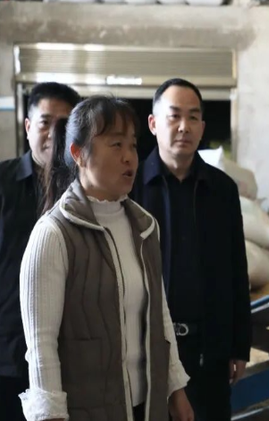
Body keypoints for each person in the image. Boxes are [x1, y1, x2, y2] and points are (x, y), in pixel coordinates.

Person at [19, 96, 194, 421]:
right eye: (116, 144)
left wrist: (175, 388)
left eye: (133, 145)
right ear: (78, 153)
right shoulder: (54, 234)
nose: (129, 157)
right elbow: (41, 346)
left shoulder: (145, 227)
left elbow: (160, 316)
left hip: (147, 407)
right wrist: (51, 416)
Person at [132, 78, 251, 420]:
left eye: (193, 117)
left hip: (208, 352)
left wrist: (239, 345)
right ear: (153, 123)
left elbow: (236, 268)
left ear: (202, 127)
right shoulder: (132, 187)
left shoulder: (222, 190)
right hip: (145, 350)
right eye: (174, 116)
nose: (184, 126)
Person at [0, 82, 79, 421]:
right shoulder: (2, 183)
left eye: (64, 125)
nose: (53, 133)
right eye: (45, 122)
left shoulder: (86, 192)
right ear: (28, 126)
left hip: (68, 358)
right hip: (7, 355)